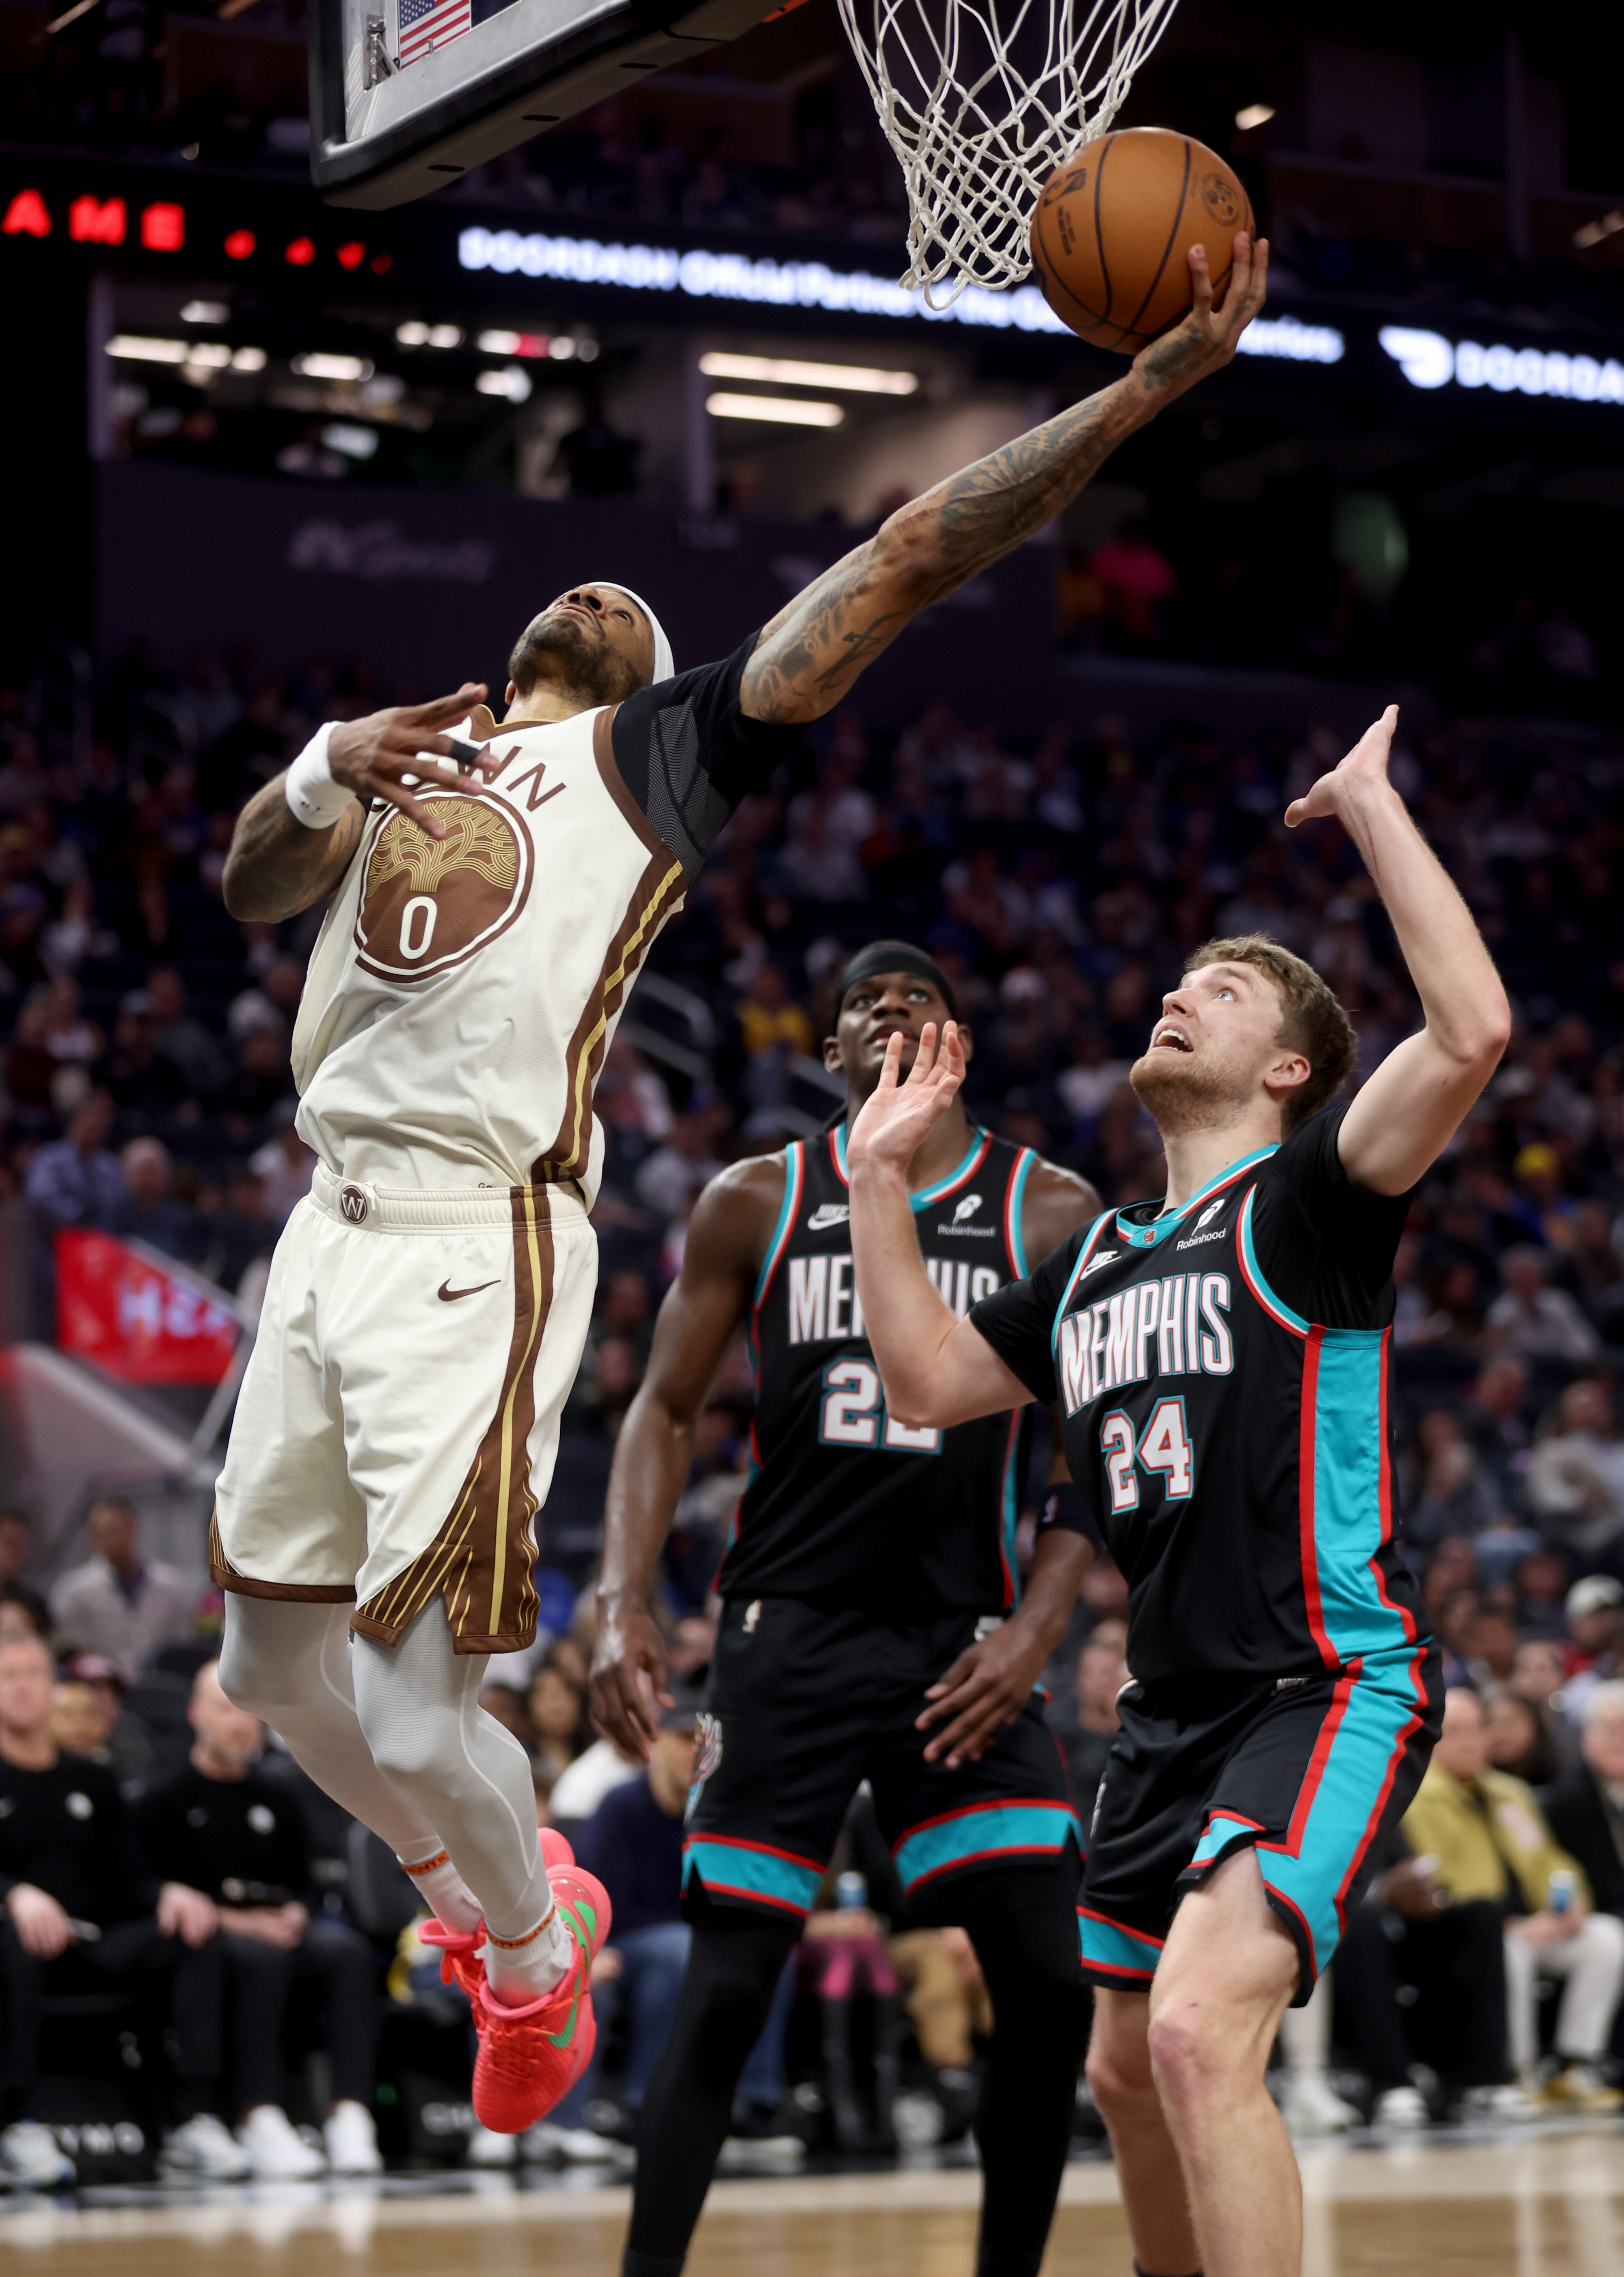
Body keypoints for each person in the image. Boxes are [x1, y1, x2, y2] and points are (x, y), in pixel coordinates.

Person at [207, 230, 1270, 2140]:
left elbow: (902, 558)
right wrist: (319, 772)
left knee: (424, 1709)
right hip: (321, 1226)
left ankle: (533, 1955)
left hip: (468, 1237)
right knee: (267, 1667)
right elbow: (244, 890)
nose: (595, 591)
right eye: (575, 587)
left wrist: (1133, 395)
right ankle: (489, 1905)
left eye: (626, 600)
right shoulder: (402, 757)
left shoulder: (648, 758)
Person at [842, 701, 1512, 2277]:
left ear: (1288, 1066)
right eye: (1176, 980)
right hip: (1165, 1710)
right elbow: (925, 1380)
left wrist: (1368, 805)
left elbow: (1472, 1028)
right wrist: (875, 1178)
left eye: (1219, 990)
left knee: (1202, 2037)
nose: (1173, 993)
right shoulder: (1094, 1262)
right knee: (1127, 2070)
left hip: (1321, 1679)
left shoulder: (1312, 1200)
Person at [591, 943, 1101, 2277]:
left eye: (918, 998)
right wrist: (620, 1594)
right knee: (726, 1988)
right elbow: (663, 1408)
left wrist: (1039, 1629)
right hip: (789, 1629)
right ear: (831, 1055)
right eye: (863, 1004)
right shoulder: (756, 1196)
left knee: (1053, 1981)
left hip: (964, 1645)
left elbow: (1092, 1450)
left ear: (957, 1044)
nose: (889, 1010)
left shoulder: (1050, 1209)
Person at [136, 1661, 384, 2178]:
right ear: (196, 1715)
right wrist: (238, 1923)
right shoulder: (163, 1799)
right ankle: (258, 2114)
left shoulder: (278, 1796)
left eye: (249, 1713)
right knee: (261, 1961)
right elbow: (154, 1889)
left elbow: (305, 1882)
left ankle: (350, 2112)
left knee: (347, 1955)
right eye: (226, 1710)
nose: (240, 1724)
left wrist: (297, 1912)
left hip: (276, 1925)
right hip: (210, 1937)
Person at [0, 1633, 222, 2188]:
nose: (23, 1688)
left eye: (33, 1675)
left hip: (91, 1942)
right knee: (12, 1941)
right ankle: (13, 2124)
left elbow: (130, 1878)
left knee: (194, 1932)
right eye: (9, 1676)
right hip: (18, 1943)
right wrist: (14, 1893)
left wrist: (169, 1893)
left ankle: (191, 2119)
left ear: (53, 1687)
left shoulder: (92, 1778)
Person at [1403, 1687, 1624, 2113]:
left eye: (1477, 1729)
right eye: (1456, 1732)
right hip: (1475, 1929)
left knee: (1606, 1936)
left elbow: (1550, 1860)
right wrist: (1514, 1924)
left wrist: (1571, 1903)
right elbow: (1436, 1875)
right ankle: (1518, 2070)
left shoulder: (1509, 1792)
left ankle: (1575, 2063)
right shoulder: (1418, 1796)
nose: (1471, 1742)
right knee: (1509, 1951)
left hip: (1540, 1922)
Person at [48, 1497, 197, 1684]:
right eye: (103, 1533)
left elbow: (184, 1642)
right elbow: (69, 1650)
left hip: (164, 1682)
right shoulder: (73, 1591)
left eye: (117, 1530)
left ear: (134, 1529)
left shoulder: (171, 1585)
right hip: (102, 1687)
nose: (113, 1540)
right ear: (92, 1537)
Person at [1542, 1680, 1624, 1927]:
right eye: (1610, 1730)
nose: (1619, 1740)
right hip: (1602, 1916)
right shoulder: (1569, 1800)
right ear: (1585, 1737)